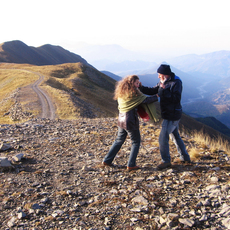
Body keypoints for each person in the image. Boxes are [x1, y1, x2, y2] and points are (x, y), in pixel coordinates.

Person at [139, 64, 191, 169]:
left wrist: (163, 90)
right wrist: (140, 87)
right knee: (175, 135)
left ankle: (166, 161)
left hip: (172, 115)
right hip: (168, 113)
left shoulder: (176, 82)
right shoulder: (163, 82)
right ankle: (185, 157)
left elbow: (176, 98)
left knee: (163, 138)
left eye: (159, 74)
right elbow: (153, 90)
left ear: (165, 74)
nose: (158, 76)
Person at [103, 75, 158, 171]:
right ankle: (131, 164)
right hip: (130, 120)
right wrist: (157, 96)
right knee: (136, 142)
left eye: (138, 83)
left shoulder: (122, 92)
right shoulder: (134, 93)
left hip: (121, 119)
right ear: (131, 83)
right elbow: (146, 100)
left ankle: (107, 160)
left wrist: (139, 86)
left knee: (119, 140)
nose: (138, 85)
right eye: (137, 83)